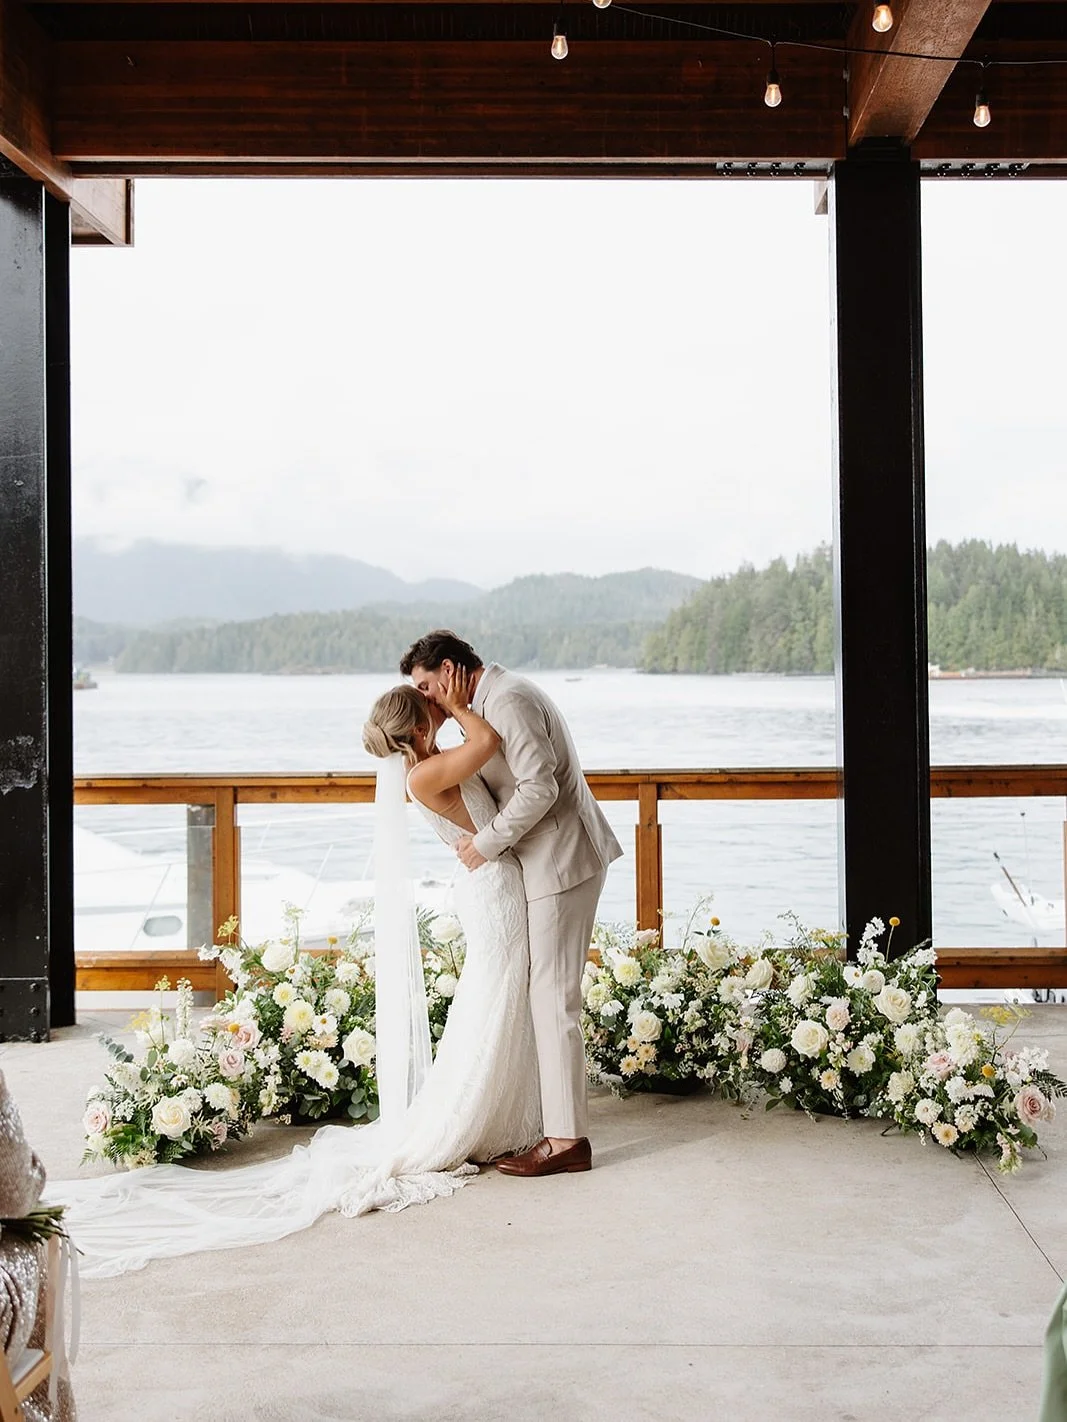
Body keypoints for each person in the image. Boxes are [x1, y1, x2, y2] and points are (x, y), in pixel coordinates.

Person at [51, 671, 542, 1278]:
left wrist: (446, 707)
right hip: (492, 892)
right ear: (418, 727)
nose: (436, 707)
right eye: (428, 707)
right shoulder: (422, 774)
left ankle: (497, 1113)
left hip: (493, 886)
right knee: (493, 1001)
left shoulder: (433, 762)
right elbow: (490, 744)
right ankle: (476, 1121)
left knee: (493, 1002)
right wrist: (460, 702)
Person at [402, 630, 623, 1177]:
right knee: (545, 993)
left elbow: (540, 788)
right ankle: (553, 1126)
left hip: (561, 860)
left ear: (452, 670)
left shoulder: (509, 700)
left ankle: (567, 1141)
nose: (426, 700)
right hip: (541, 862)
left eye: (428, 686)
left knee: (553, 998)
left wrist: (484, 842)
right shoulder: (482, 708)